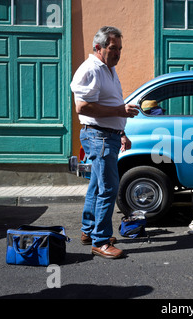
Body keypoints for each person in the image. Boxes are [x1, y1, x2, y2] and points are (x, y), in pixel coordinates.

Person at [70, 26, 139, 259]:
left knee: (97, 186)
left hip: (106, 134)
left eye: (120, 48)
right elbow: (83, 107)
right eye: (113, 48)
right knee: (109, 188)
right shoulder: (91, 69)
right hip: (98, 136)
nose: (118, 53)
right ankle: (101, 240)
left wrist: (120, 131)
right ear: (98, 48)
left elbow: (108, 105)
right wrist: (120, 110)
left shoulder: (107, 68)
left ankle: (89, 231)